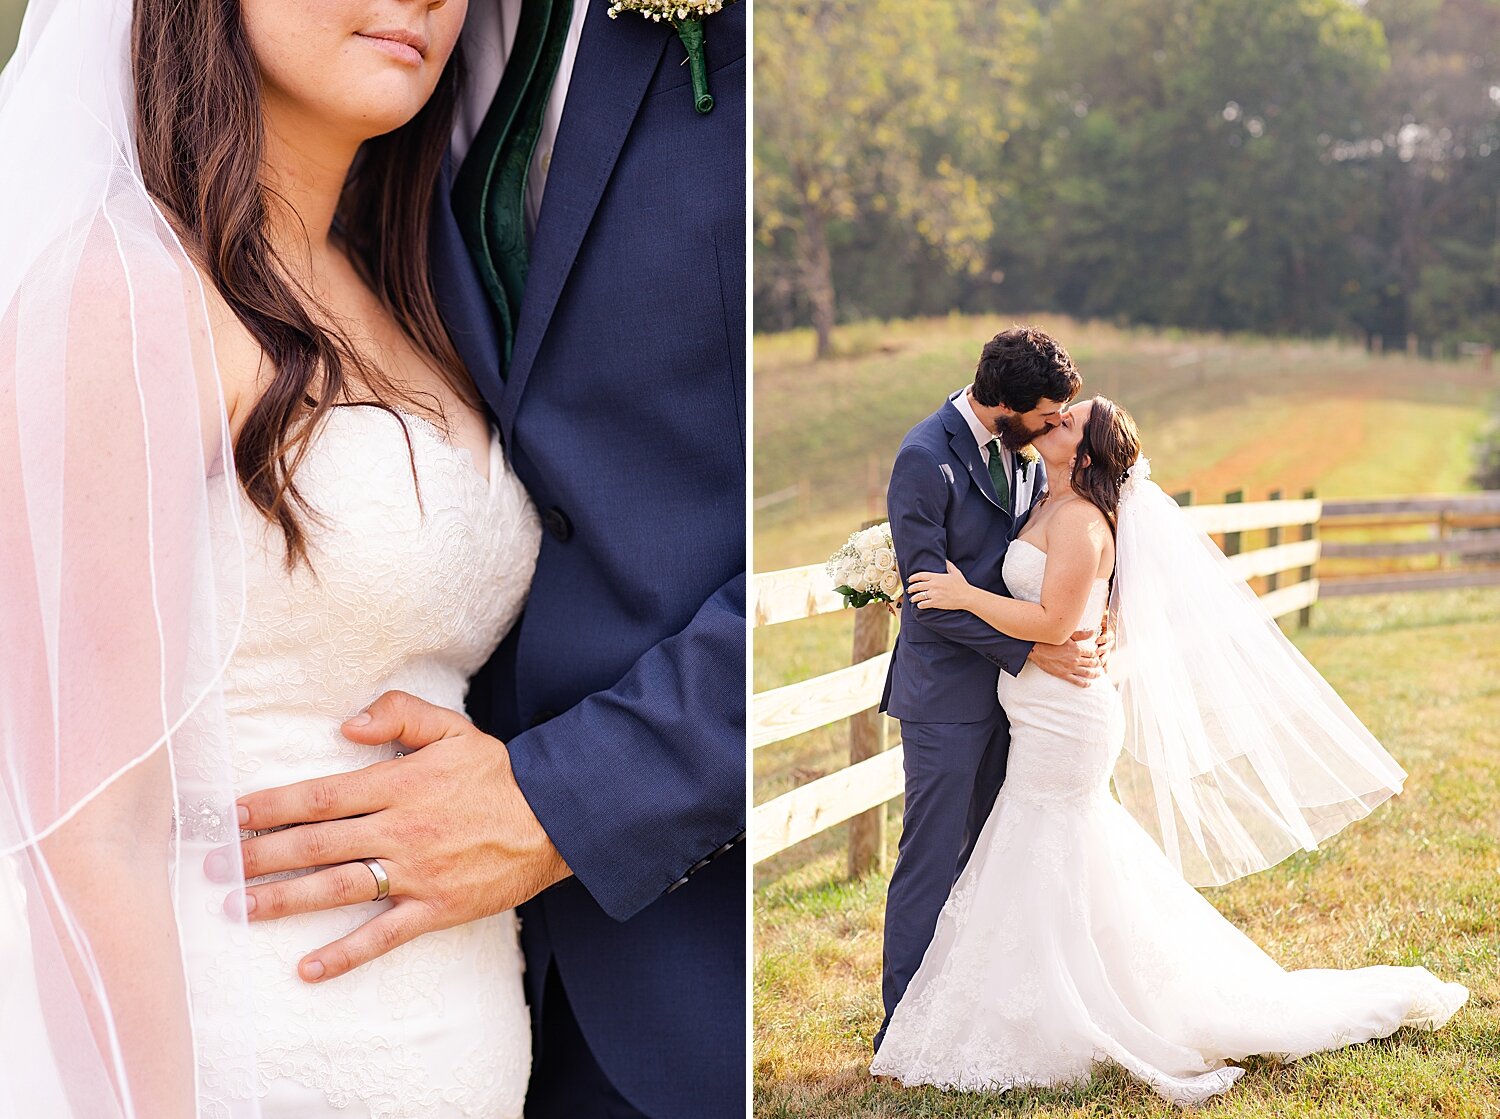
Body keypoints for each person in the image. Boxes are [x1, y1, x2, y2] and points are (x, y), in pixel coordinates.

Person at [0, 1, 744, 1117]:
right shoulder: (125, 294)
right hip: (251, 1041)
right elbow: (84, 833)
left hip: (462, 1042)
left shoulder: (403, 292)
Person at [870, 394, 1467, 1104]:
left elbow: (1055, 619)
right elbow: (1079, 607)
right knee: (1063, 857)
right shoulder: (1041, 496)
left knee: (1046, 849)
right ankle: (1049, 993)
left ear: (1085, 454)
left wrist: (964, 594)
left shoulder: (1085, 520)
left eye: (1067, 422)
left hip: (1065, 721)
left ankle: (1064, 1008)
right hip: (1040, 712)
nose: (1051, 421)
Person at [874, 326, 1099, 1051]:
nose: (1056, 423)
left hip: (1021, 709)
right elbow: (930, 597)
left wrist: (1095, 625)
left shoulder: (1026, 457)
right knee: (931, 861)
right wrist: (1032, 648)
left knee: (991, 861)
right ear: (1005, 403)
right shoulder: (923, 458)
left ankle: (973, 1015)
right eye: (1047, 412)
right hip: (945, 700)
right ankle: (902, 1026)